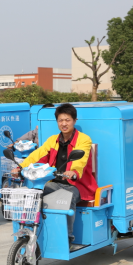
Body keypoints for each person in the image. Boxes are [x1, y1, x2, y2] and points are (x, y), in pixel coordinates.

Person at [16, 103, 96, 251]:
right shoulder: (53, 140)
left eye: (67, 120)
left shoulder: (84, 140)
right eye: (61, 120)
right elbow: (37, 154)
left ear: (74, 120)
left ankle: (68, 239)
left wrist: (73, 171)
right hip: (55, 182)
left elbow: (81, 160)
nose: (64, 123)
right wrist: (20, 167)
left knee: (67, 197)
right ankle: (31, 230)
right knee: (34, 192)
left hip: (77, 185)